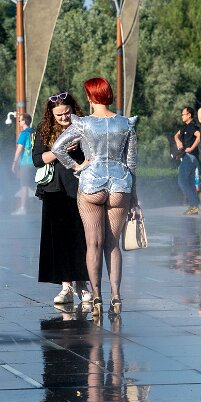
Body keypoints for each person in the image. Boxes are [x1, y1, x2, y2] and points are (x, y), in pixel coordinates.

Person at [52, 77, 137, 317]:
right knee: (113, 244)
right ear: (108, 95)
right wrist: (135, 198)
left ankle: (97, 297)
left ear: (90, 97)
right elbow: (131, 164)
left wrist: (77, 166)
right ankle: (117, 297)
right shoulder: (126, 124)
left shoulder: (82, 124)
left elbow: (58, 147)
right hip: (120, 184)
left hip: (91, 184)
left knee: (93, 244)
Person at [32, 91, 91, 306]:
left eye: (67, 113)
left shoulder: (83, 126)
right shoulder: (44, 130)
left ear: (73, 109)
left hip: (80, 188)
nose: (64, 117)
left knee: (82, 238)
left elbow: (94, 155)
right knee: (60, 240)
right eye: (59, 115)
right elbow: (38, 159)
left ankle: (83, 284)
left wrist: (80, 148)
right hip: (54, 189)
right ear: (51, 115)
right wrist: (60, 150)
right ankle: (66, 286)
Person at [173, 106, 201, 214]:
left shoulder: (192, 126)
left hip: (190, 157)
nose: (182, 116)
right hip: (187, 157)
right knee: (189, 182)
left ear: (189, 115)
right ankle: (193, 206)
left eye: (183, 114)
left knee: (182, 181)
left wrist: (192, 148)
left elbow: (199, 136)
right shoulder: (185, 127)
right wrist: (178, 141)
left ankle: (194, 204)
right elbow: (176, 135)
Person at [11, 113, 35, 215]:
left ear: (24, 121)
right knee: (34, 186)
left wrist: (14, 163)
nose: (19, 122)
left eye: (20, 120)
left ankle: (23, 208)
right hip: (35, 162)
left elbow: (19, 149)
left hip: (25, 162)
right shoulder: (34, 132)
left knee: (24, 185)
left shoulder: (24, 134)